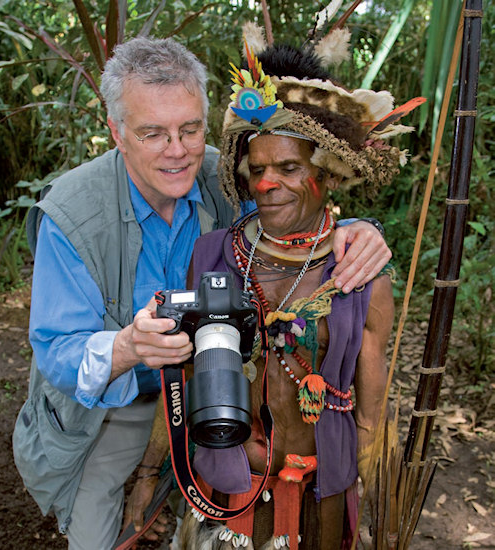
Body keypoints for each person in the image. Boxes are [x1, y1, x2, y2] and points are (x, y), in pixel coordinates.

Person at [12, 36, 390, 550]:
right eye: (153, 134)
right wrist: (128, 347)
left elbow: (295, 207)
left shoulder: (224, 173)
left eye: (190, 129)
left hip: (216, 392)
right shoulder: (73, 216)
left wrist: (362, 229)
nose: (177, 151)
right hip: (112, 407)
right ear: (117, 133)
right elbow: (56, 351)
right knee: (100, 537)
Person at [129, 27, 419, 550]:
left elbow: (372, 419)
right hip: (233, 485)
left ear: (326, 173)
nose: (267, 184)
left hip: (321, 494)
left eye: (289, 168)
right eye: (257, 169)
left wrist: (376, 509)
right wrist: (150, 472)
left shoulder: (360, 275)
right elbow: (185, 373)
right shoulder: (215, 255)